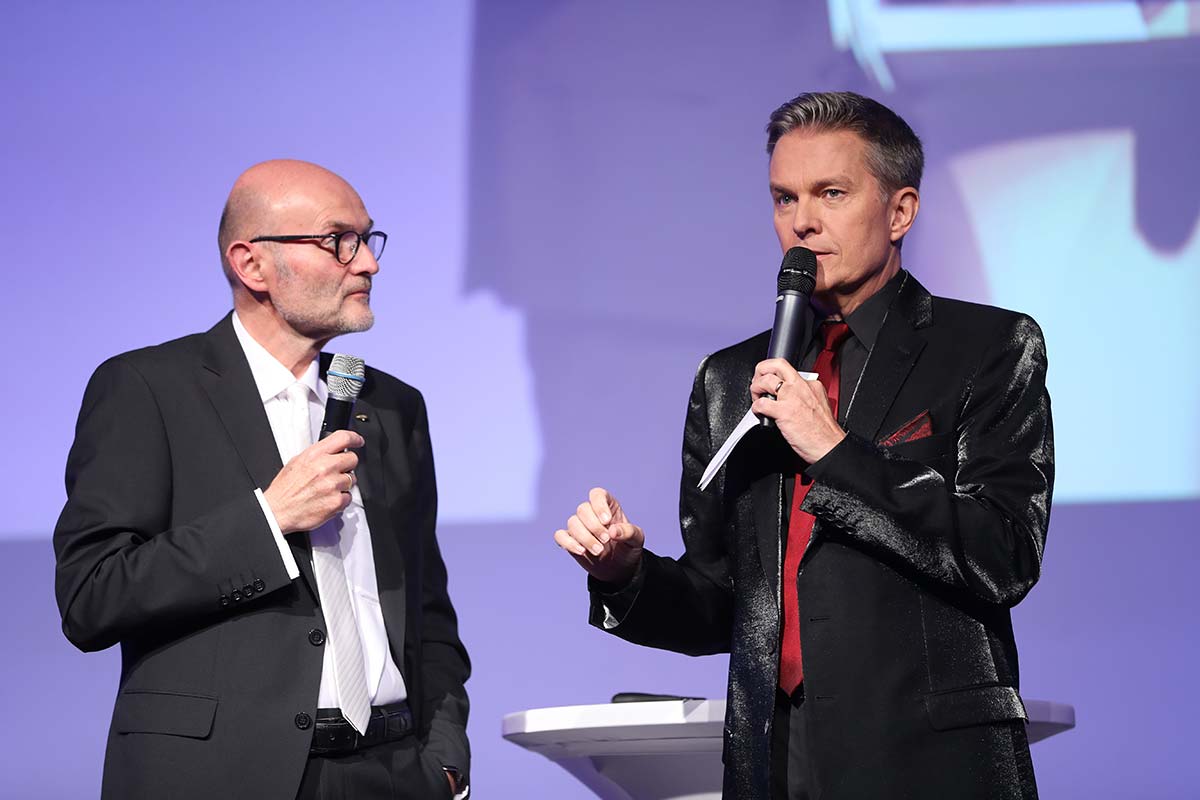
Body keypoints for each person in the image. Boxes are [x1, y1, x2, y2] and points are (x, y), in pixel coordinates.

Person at [555, 92, 1052, 799]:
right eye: (784, 198)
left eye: (831, 193)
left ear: (901, 211)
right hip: (777, 762)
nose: (802, 221)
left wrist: (835, 449)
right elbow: (725, 604)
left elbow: (1003, 555)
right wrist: (625, 574)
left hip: (930, 762)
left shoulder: (986, 348)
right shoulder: (731, 378)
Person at [54, 160, 470, 799]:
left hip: (393, 771)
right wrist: (268, 519)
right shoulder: (148, 388)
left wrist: (443, 761)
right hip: (225, 775)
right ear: (252, 265)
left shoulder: (391, 405)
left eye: (368, 239)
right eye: (338, 241)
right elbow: (92, 596)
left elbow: (426, 608)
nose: (367, 263)